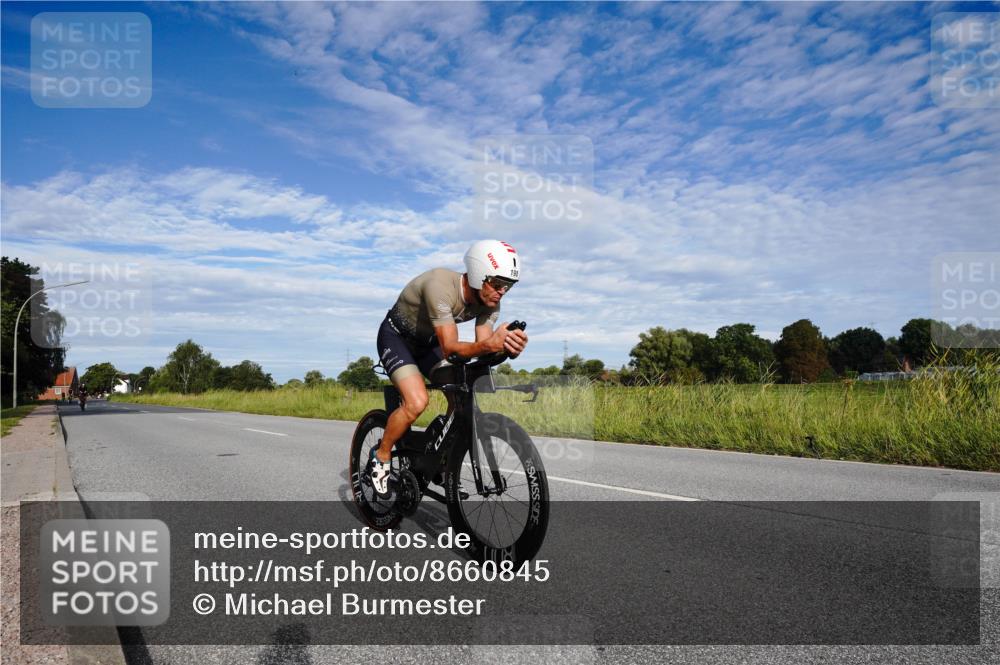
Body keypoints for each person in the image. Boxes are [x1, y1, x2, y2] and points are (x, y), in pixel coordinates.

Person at [366, 240, 528, 496]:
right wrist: (490, 345)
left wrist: (507, 348)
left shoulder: (490, 302)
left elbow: (483, 345)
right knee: (417, 402)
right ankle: (382, 455)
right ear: (477, 275)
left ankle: (439, 461)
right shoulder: (439, 286)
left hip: (429, 343)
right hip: (396, 338)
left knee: (460, 399)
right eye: (497, 284)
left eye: (507, 286)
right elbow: (452, 348)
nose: (501, 292)